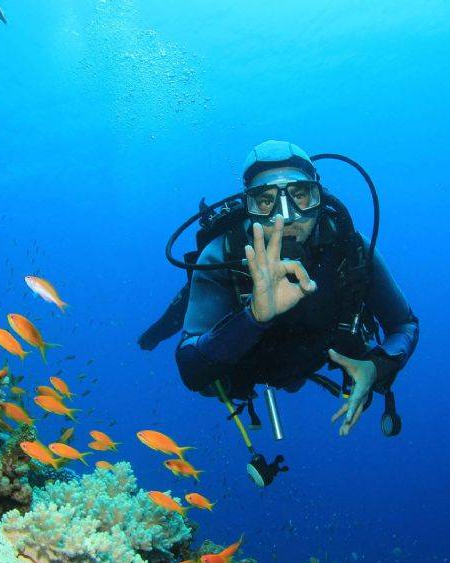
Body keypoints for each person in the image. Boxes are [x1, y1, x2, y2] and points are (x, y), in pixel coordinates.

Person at [173, 140, 419, 435]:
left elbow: (404, 324)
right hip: (248, 365)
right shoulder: (221, 256)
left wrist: (376, 367)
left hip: (314, 353)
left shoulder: (348, 247)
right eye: (266, 201)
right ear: (249, 207)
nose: (286, 216)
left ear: (319, 196)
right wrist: (253, 317)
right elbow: (191, 371)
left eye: (300, 195)